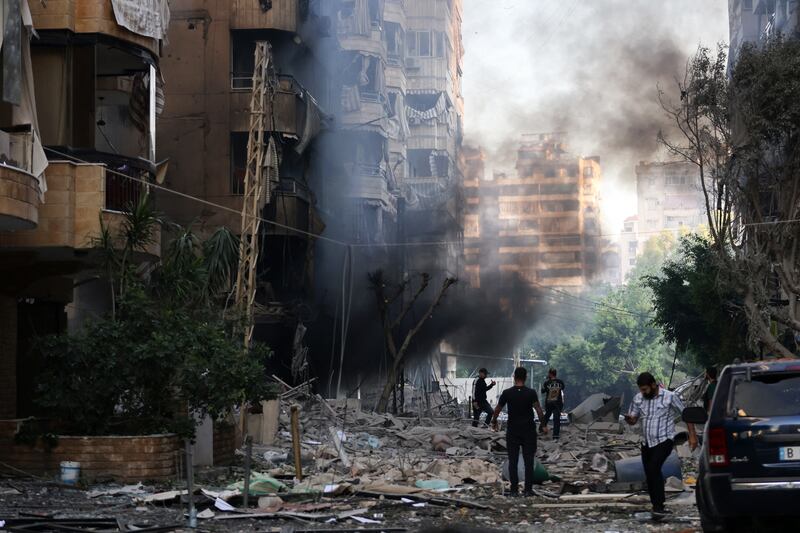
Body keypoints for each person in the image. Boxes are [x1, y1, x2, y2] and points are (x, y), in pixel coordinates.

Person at [624, 372, 698, 521]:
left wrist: (692, 435)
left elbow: (686, 414)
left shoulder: (670, 396)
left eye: (645, 389)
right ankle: (656, 507)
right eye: (641, 390)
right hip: (646, 442)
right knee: (650, 473)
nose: (642, 392)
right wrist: (630, 420)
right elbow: (634, 418)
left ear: (653, 385)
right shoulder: (639, 398)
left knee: (653, 468)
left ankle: (659, 506)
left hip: (664, 440)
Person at [491, 367, 548, 496]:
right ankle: (528, 490)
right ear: (526, 377)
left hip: (513, 431)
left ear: (514, 377)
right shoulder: (531, 393)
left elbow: (497, 409)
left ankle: (514, 490)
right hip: (528, 430)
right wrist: (543, 425)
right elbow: (538, 410)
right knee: (529, 461)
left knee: (513, 461)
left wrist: (494, 421)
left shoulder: (507, 393)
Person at [540, 368, 565, 440]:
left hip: (549, 403)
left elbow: (542, 391)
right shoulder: (560, 382)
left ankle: (541, 428)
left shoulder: (547, 383)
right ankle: (555, 436)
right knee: (556, 419)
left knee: (547, 415)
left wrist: (547, 381)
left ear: (550, 374)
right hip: (558, 403)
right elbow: (562, 389)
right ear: (556, 373)